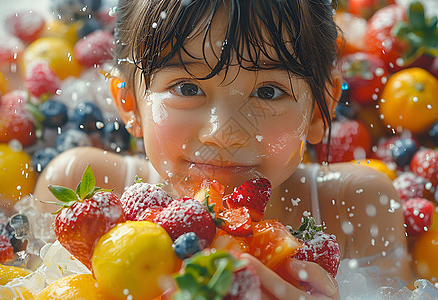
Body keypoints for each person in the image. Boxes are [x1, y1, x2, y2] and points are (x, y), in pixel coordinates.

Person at [33, 0, 414, 298]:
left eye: (268, 92)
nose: (223, 133)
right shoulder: (84, 196)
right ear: (129, 103)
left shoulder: (358, 204)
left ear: (320, 108)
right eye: (187, 88)